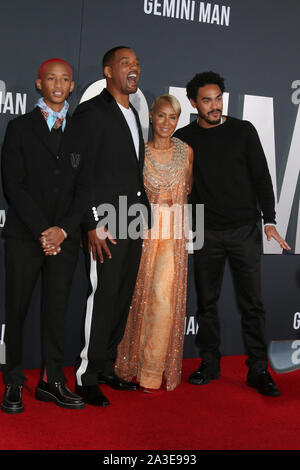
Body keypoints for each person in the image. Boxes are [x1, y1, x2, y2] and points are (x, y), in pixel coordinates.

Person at [174, 71, 291, 397]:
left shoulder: (243, 130)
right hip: (205, 232)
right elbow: (175, 187)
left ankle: (258, 369)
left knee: (252, 303)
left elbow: (262, 177)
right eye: (207, 100)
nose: (214, 106)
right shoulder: (183, 139)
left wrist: (269, 219)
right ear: (193, 103)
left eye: (218, 98)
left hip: (244, 232)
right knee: (207, 304)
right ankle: (209, 363)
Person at [0, 58, 91, 414]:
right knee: (17, 310)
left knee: (56, 310)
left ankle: (52, 381)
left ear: (71, 86)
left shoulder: (81, 132)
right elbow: (14, 185)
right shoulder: (19, 128)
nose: (58, 83)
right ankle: (13, 381)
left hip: (64, 239)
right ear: (39, 84)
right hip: (25, 237)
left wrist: (63, 229)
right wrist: (43, 230)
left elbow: (85, 189)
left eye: (65, 79)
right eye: (51, 78)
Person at [73, 46, 151, 406]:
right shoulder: (91, 112)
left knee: (121, 297)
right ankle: (86, 376)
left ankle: (105, 367)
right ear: (108, 71)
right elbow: (81, 172)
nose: (133, 69)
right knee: (102, 297)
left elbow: (133, 172)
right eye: (125, 64)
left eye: (136, 64)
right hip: (105, 219)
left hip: (132, 218)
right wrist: (91, 221)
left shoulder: (134, 113)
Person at [115, 95, 193, 393]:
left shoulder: (186, 152)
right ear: (150, 117)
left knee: (163, 302)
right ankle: (125, 366)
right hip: (141, 230)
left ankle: (151, 372)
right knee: (134, 298)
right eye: (161, 116)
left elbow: (188, 192)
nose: (166, 123)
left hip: (172, 234)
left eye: (172, 117)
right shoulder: (139, 152)